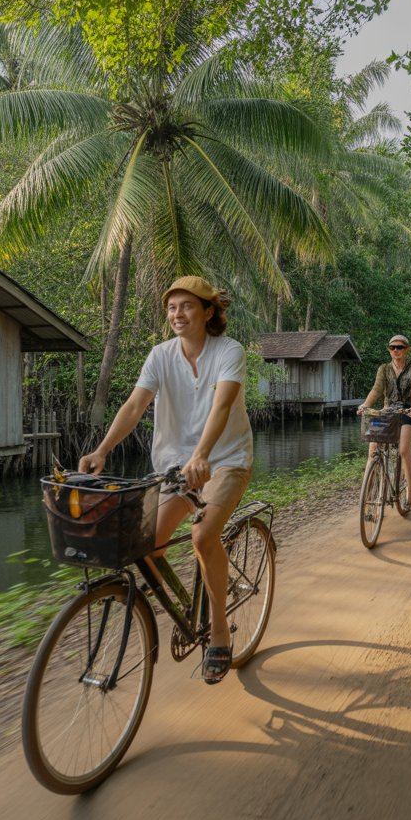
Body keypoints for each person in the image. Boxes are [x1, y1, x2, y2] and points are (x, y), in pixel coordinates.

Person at [79, 276, 252, 685]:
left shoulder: (229, 351)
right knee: (145, 546)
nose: (177, 314)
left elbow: (222, 404)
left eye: (187, 306)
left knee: (202, 536)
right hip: (175, 466)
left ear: (208, 312)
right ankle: (188, 605)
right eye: (172, 307)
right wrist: (102, 450)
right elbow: (135, 405)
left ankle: (219, 631)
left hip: (224, 459)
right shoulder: (160, 355)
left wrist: (202, 454)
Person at [357, 334, 411, 511]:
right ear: (389, 350)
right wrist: (365, 405)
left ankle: (409, 494)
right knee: (373, 450)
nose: (396, 350)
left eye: (399, 347)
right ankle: (368, 497)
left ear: (406, 349)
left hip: (407, 411)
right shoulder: (384, 369)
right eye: (392, 347)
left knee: (403, 449)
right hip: (388, 411)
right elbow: (377, 389)